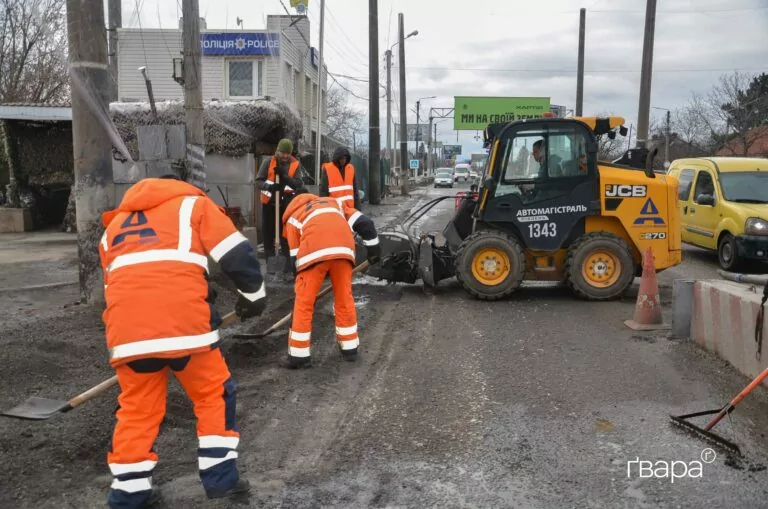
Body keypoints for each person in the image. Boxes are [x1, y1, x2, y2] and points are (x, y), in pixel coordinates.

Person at [98, 175, 267, 509]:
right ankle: (221, 480)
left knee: (137, 410)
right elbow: (236, 254)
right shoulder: (193, 205)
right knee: (213, 394)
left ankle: (129, 494)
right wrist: (253, 296)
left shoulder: (113, 228)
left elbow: (121, 284)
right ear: (179, 186)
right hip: (186, 327)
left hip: (127, 332)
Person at [279, 191, 380, 369]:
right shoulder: (335, 204)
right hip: (343, 251)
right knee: (344, 298)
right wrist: (374, 251)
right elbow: (366, 224)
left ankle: (298, 356)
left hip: (313, 254)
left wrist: (302, 284)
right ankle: (350, 348)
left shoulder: (292, 219)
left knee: (304, 303)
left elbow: (295, 259)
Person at [255, 138, 307, 277]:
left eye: (287, 153)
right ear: (278, 151)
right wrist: (270, 187)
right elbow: (258, 182)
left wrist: (284, 177)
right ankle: (271, 265)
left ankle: (286, 266)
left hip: (286, 206)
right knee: (268, 235)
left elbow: (298, 184)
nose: (285, 156)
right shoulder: (268, 162)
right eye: (282, 152)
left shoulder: (295, 164)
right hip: (269, 205)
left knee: (285, 236)